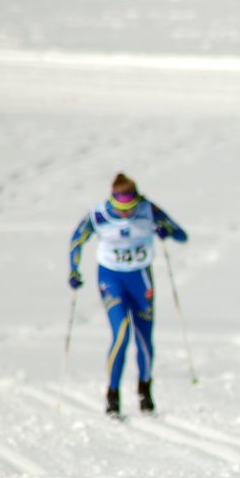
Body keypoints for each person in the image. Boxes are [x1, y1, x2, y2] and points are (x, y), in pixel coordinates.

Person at [68, 173, 188, 416]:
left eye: (130, 209)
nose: (125, 214)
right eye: (121, 209)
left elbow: (181, 235)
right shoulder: (100, 214)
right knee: (121, 333)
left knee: (144, 340)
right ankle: (112, 394)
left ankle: (145, 390)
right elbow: (76, 240)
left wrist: (166, 230)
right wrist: (74, 270)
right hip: (112, 279)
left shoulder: (148, 210)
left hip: (140, 279)